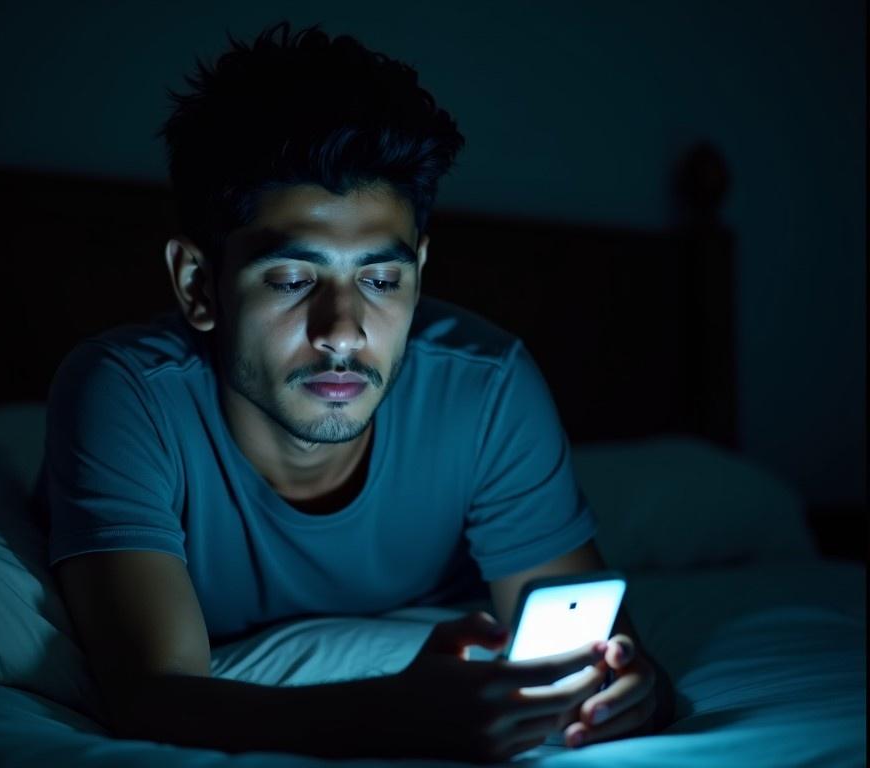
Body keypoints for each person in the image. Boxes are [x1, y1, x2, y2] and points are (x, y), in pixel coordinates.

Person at [34, 20, 674, 763]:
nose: (342, 330)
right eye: (291, 278)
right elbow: (151, 696)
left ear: (420, 273)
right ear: (198, 285)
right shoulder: (125, 395)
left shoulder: (486, 387)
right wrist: (389, 716)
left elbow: (596, 648)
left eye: (380, 279)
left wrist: (632, 685)